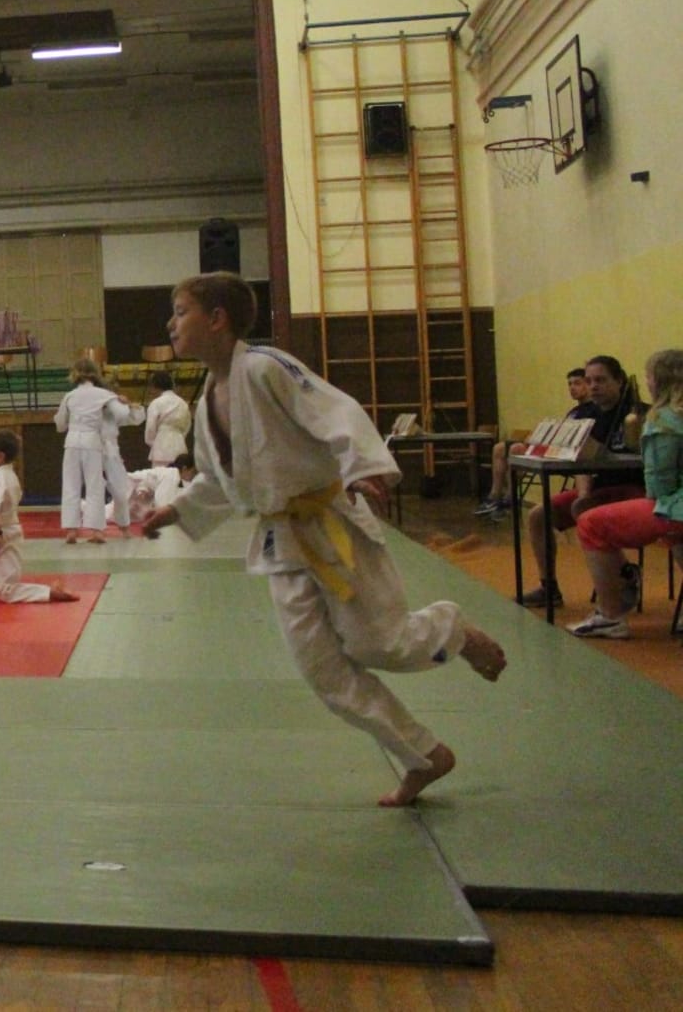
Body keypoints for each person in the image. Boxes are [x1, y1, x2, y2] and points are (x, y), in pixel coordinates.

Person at [140, 272, 507, 807]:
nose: (171, 324)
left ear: (216, 319)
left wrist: (361, 466)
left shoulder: (265, 367)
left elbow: (336, 410)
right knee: (324, 672)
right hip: (279, 541)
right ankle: (424, 756)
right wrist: (177, 509)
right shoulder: (210, 397)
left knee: (379, 644)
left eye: (180, 312)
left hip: (332, 525)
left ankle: (453, 629)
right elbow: (221, 477)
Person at [566, 349, 683, 638]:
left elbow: (660, 485)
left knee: (590, 523)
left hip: (676, 506)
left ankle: (610, 616)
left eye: (648, 377)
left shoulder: (664, 419)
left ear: (659, 381)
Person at [520, 355, 649, 608]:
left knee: (587, 512)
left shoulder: (639, 413)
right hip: (599, 489)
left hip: (633, 489)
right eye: (589, 381)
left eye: (600, 380)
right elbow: (581, 462)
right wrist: (583, 494)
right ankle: (549, 588)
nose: (593, 386)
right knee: (538, 515)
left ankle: (623, 574)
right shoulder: (583, 415)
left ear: (619, 381)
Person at [0, 430, 77, 605]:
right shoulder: (8, 476)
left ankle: (50, 592)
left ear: (0, 456)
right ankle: (47, 592)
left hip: (0, 535)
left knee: (6, 590)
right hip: (3, 531)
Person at [477, 367, 589, 518]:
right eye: (569, 384)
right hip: (553, 446)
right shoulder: (574, 411)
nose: (572, 388)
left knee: (516, 449)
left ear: (587, 384)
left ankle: (510, 498)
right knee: (500, 448)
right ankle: (495, 495)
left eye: (577, 383)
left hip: (565, 452)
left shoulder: (591, 410)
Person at [55, 358, 128, 544]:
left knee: (70, 485)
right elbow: (122, 415)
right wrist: (120, 403)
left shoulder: (69, 396)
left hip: (72, 442)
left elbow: (60, 424)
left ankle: (71, 530)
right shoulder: (104, 394)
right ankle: (97, 531)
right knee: (94, 486)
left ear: (74, 374)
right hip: (92, 441)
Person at [99, 374, 146, 532]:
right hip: (90, 448)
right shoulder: (90, 405)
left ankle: (124, 524)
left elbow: (137, 419)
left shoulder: (116, 409)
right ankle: (96, 527)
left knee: (120, 488)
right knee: (94, 489)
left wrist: (129, 405)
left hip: (111, 449)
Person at [142, 371, 191, 468]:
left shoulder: (156, 403)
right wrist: (179, 437)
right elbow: (187, 426)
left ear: (155, 386)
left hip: (161, 447)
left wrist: (155, 444)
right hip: (180, 446)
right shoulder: (183, 403)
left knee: (160, 476)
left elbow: (150, 429)